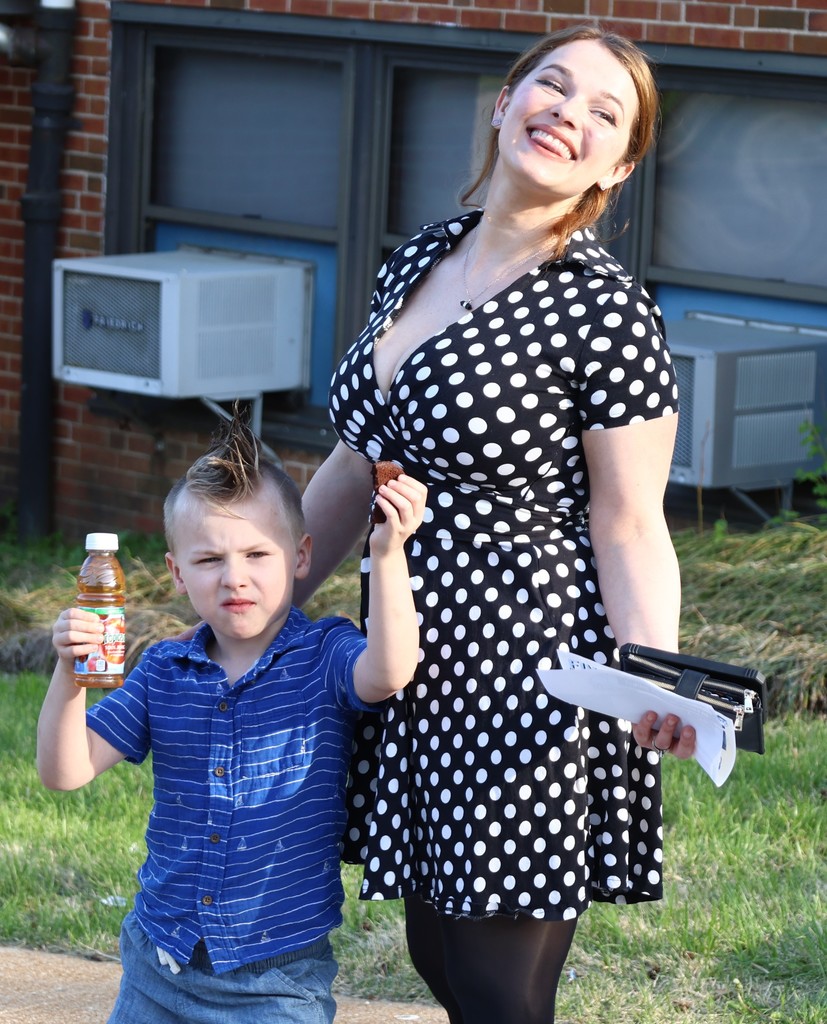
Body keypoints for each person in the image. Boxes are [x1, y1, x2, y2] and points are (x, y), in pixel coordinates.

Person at [295, 24, 697, 1024]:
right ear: (503, 101)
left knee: (496, 986)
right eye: (551, 85)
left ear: (618, 165)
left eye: (603, 112)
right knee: (436, 950)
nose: (567, 113)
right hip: (405, 656)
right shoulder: (421, 257)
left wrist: (651, 675)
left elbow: (627, 522)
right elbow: (358, 456)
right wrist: (264, 599)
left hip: (524, 672)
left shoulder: (605, 313)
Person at [36, 408, 427, 1024]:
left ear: (300, 556)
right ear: (176, 573)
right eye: (209, 560)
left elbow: (391, 670)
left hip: (276, 983)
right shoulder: (165, 669)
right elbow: (65, 771)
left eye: (256, 554)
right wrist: (69, 674)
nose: (234, 578)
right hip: (158, 965)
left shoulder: (324, 654)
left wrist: (387, 551)